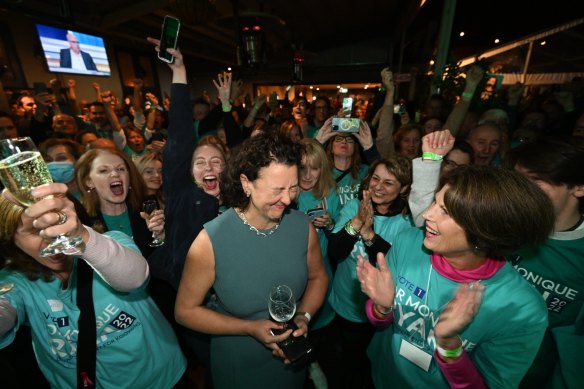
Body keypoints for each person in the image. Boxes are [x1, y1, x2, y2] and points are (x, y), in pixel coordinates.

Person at [356, 165, 555, 388]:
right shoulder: (409, 243)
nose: (426, 214)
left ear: (486, 232)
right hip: (383, 374)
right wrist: (383, 308)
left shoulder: (521, 308)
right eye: (435, 202)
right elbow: (379, 323)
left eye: (447, 212)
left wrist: (449, 346)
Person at [175, 131, 328, 389]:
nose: (288, 199)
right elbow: (185, 312)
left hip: (291, 360)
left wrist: (303, 317)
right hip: (240, 362)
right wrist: (248, 328)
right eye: (277, 190)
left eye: (292, 188)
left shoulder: (303, 226)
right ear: (246, 183)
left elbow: (318, 277)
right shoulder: (210, 241)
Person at [0, 183, 185, 388]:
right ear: (12, 239)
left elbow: (135, 278)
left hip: (162, 379)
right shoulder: (16, 281)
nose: (52, 237)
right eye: (35, 232)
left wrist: (81, 236)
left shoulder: (111, 241)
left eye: (58, 222)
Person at [327, 155, 414, 389]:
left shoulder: (408, 223)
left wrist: (369, 236)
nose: (378, 186)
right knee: (349, 358)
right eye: (375, 178)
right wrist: (356, 222)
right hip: (346, 303)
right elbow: (336, 252)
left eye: (388, 182)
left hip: (382, 313)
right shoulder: (355, 206)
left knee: (371, 362)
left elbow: (394, 267)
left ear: (404, 188)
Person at [505, 139, 584, 388]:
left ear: (579, 187)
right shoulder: (505, 226)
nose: (521, 190)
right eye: (518, 180)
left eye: (536, 180)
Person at [75, 147, 164, 259]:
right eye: (104, 170)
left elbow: (164, 260)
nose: (114, 174)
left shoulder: (146, 208)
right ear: (89, 182)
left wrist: (160, 235)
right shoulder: (82, 222)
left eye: (121, 169)